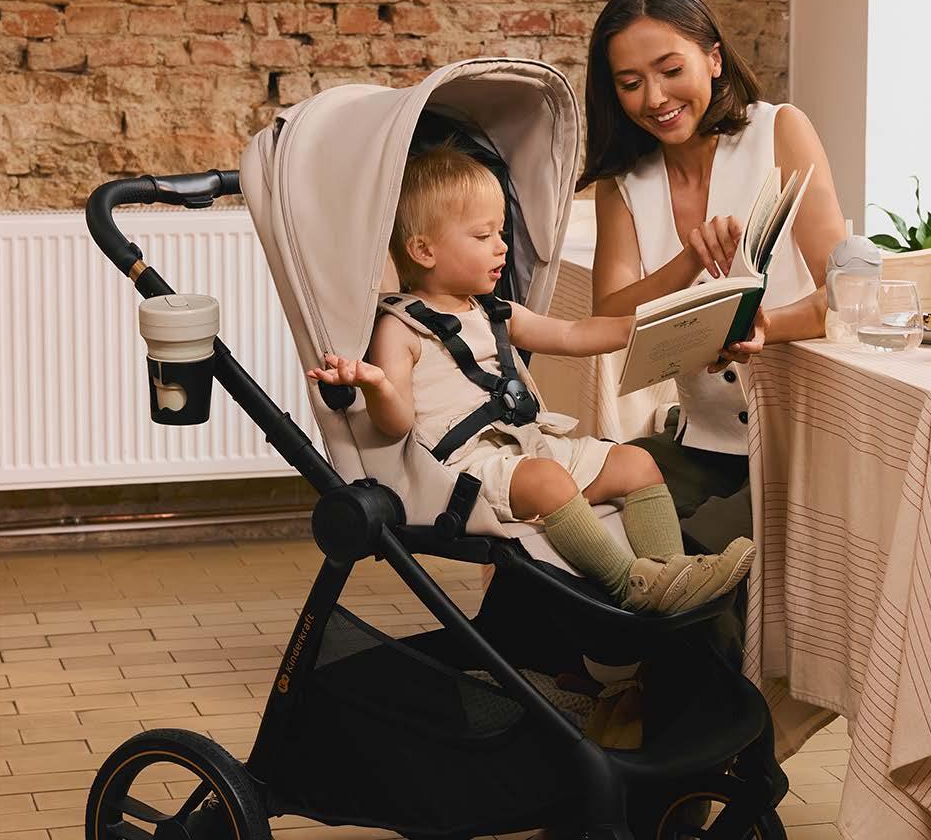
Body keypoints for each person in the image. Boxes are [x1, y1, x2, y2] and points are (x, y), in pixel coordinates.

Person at [308, 144, 757, 615]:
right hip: (463, 472)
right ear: (423, 250)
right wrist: (377, 386)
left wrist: (650, 327)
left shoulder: (496, 312)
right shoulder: (400, 329)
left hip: (529, 449)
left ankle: (671, 573)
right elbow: (395, 424)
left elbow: (575, 334)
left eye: (501, 232)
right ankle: (629, 585)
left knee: (635, 463)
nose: (502, 246)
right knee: (547, 480)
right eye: (483, 235)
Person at [581, 0, 843, 554]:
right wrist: (687, 261)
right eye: (630, 83)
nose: (655, 98)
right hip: (701, 443)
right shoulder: (622, 183)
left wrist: (764, 326)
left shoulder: (779, 131)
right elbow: (608, 316)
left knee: (687, 554)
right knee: (566, 527)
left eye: (671, 70)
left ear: (714, 59)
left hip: (794, 443)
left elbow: (844, 293)